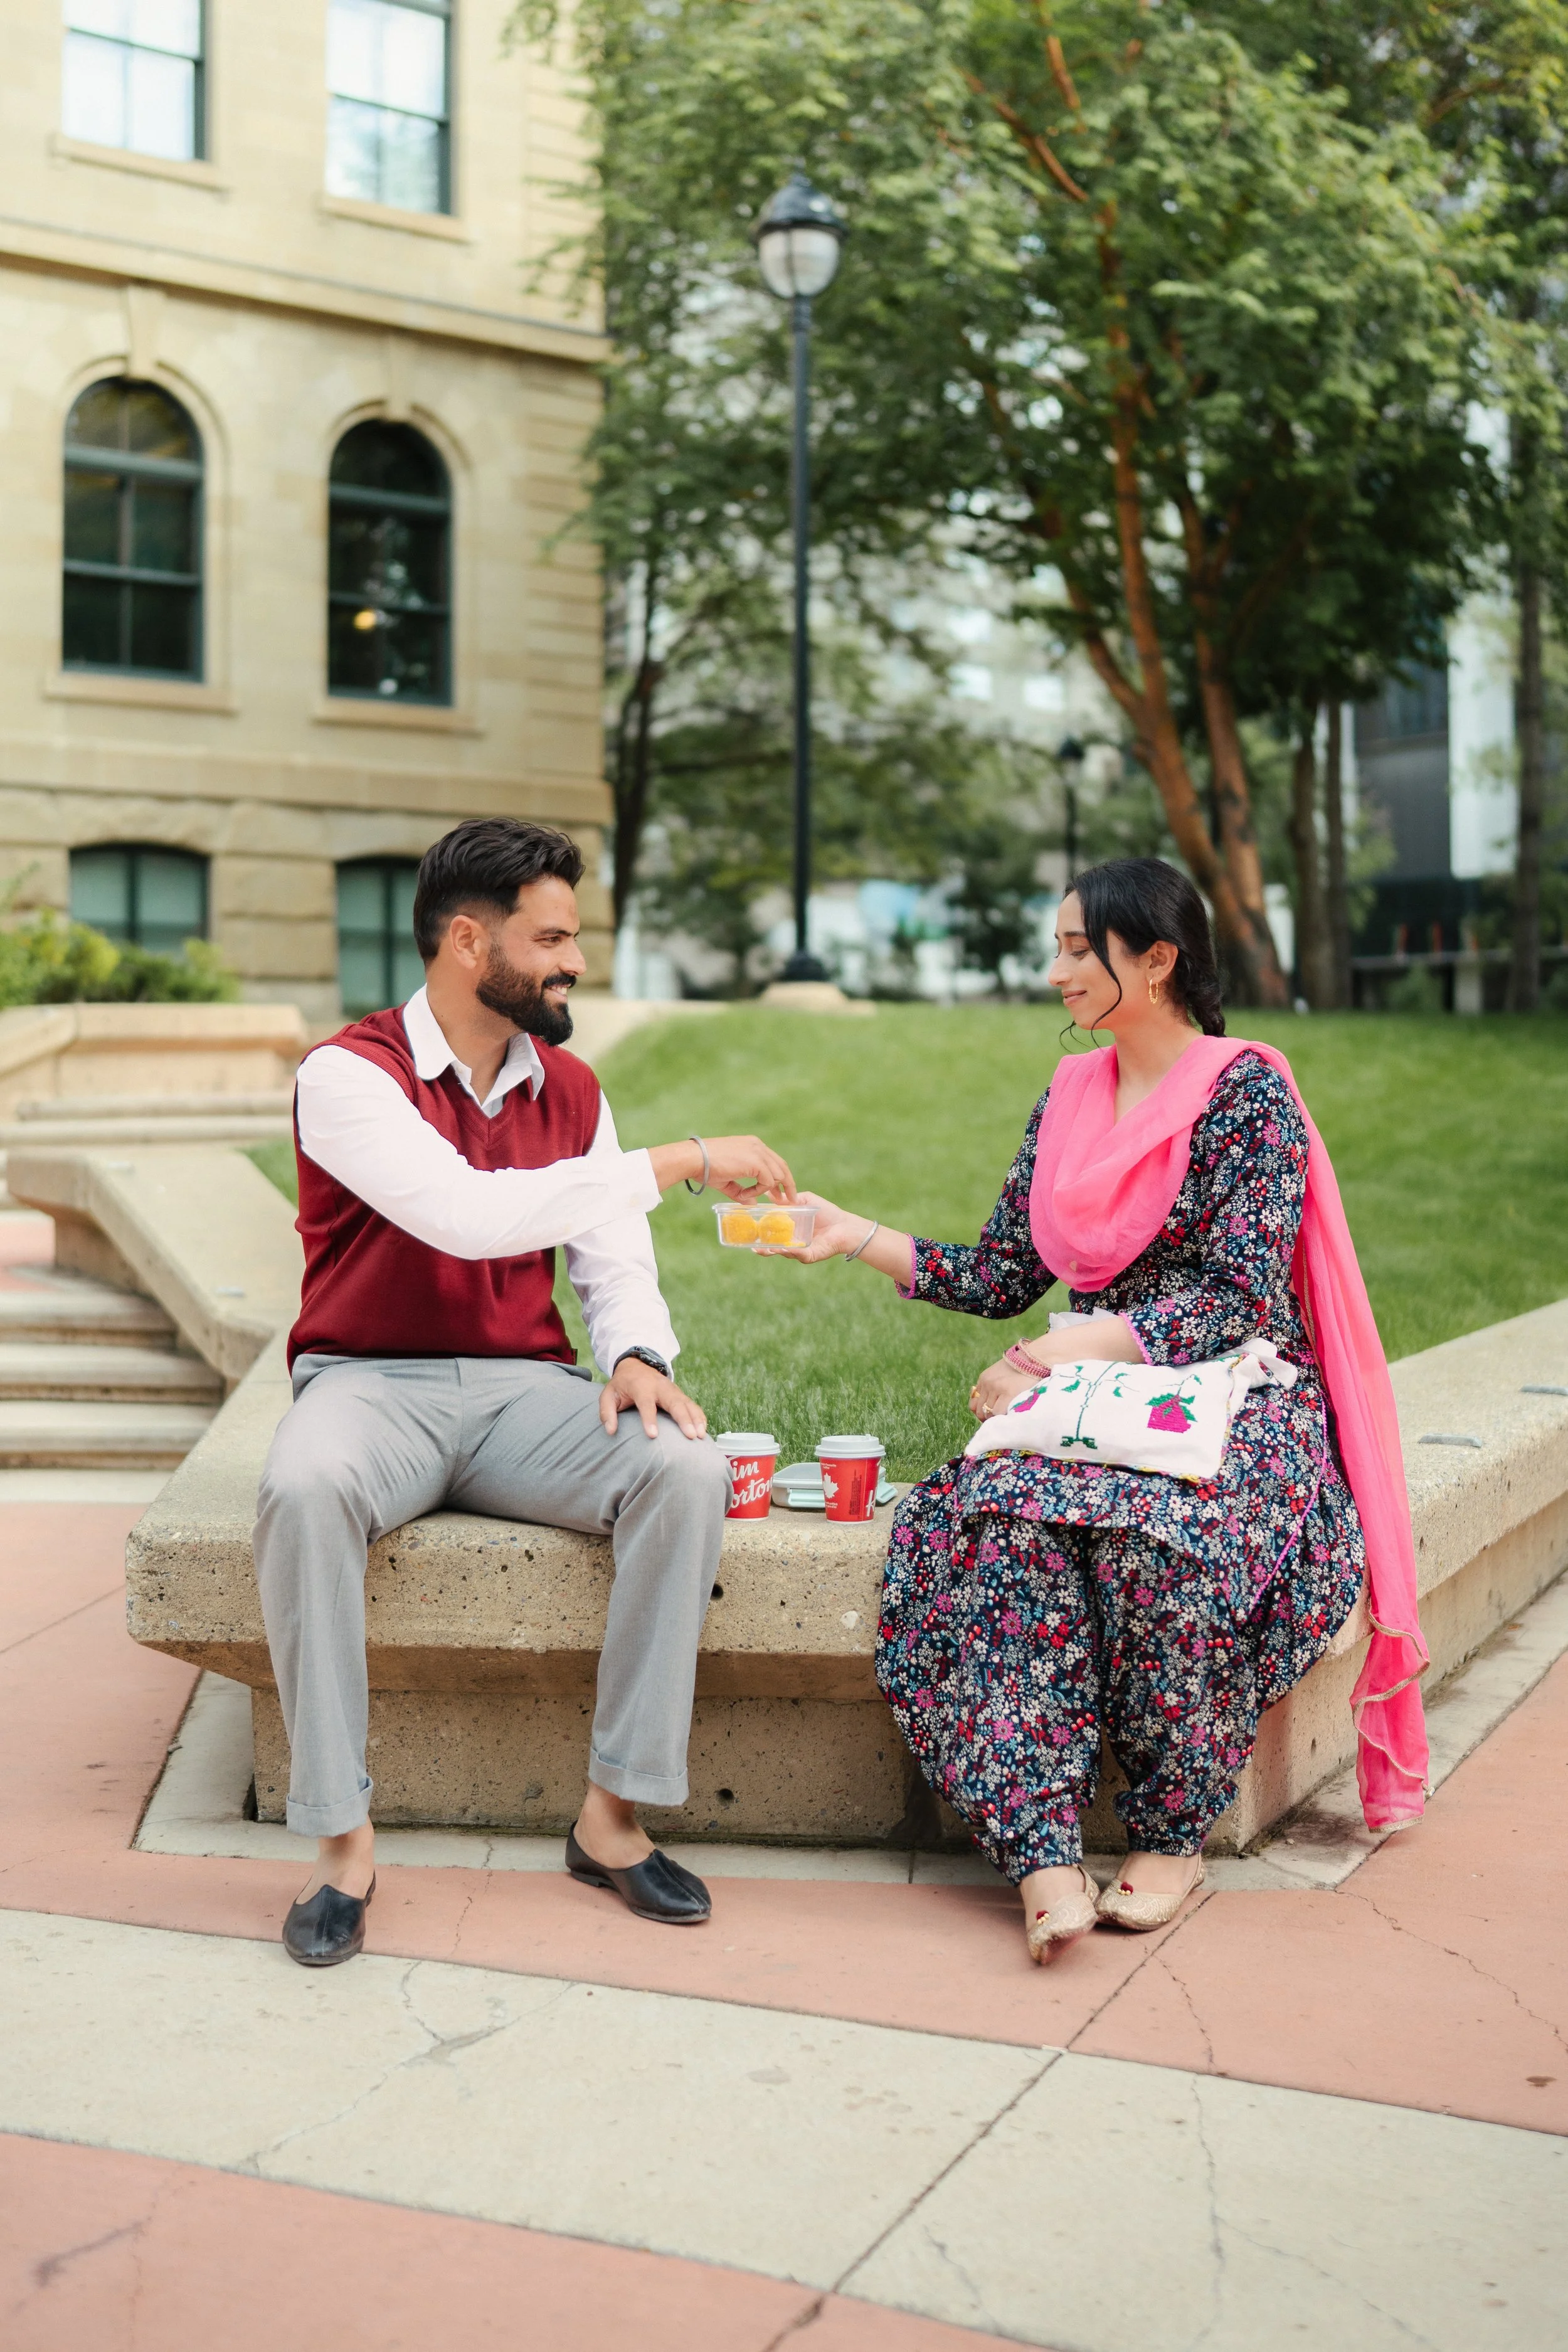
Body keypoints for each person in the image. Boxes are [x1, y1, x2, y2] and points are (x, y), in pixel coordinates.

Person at [787, 857, 1427, 1966]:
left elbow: (1232, 1297)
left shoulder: (1246, 1089)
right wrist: (854, 1233)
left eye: (1081, 949)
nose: (1058, 971)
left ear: (1159, 958)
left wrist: (1053, 1350)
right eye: (1062, 947)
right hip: (1092, 1400)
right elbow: (999, 1271)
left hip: (1233, 1390)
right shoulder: (1074, 1094)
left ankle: (1173, 1831)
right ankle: (1039, 1850)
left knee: (1159, 1545)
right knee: (994, 1529)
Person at [257, 817, 796, 1967]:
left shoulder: (574, 1088)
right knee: (302, 1487)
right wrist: (685, 1157)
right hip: (368, 1383)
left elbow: (608, 1256)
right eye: (552, 938)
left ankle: (613, 1814)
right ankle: (341, 1843)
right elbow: (466, 1213)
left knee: (683, 1466)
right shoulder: (348, 1075)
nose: (575, 962)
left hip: (522, 1392)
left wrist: (640, 1352)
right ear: (467, 940)